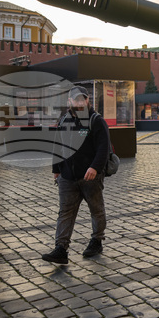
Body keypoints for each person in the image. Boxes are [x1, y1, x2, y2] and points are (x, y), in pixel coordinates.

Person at [42, 86, 111, 265]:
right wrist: (56, 170)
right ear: (69, 102)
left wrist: (95, 167)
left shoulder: (96, 121)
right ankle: (61, 249)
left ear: (88, 100)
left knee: (96, 210)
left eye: (83, 99)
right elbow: (57, 145)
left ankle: (97, 240)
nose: (79, 103)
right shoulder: (64, 119)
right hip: (67, 177)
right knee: (65, 212)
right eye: (76, 100)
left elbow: (104, 148)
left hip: (90, 177)